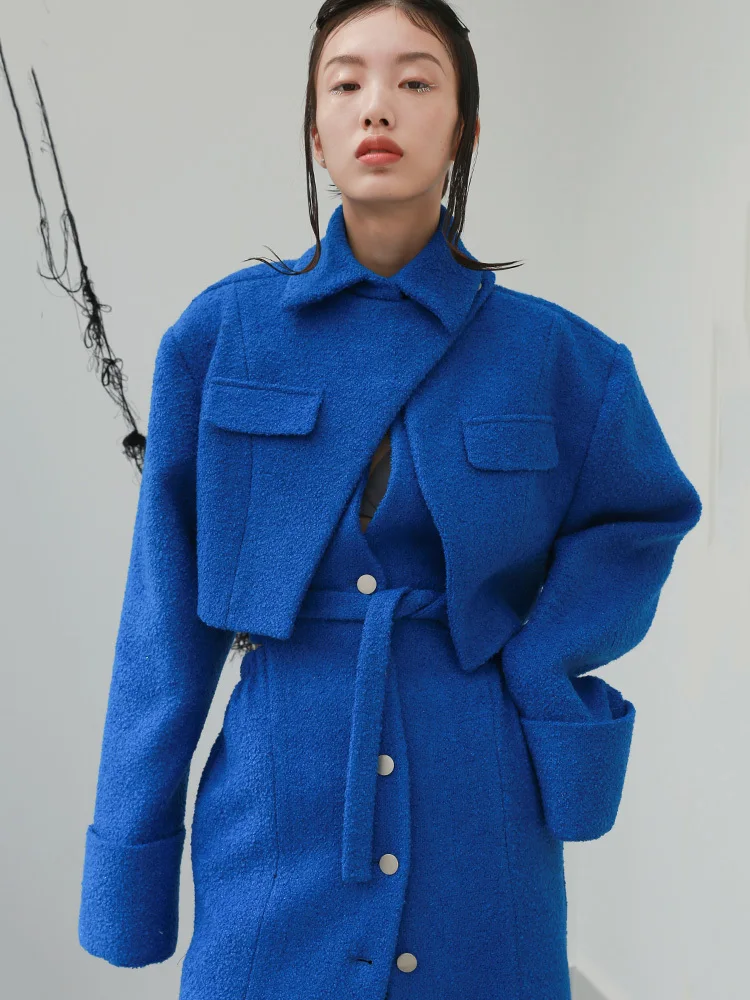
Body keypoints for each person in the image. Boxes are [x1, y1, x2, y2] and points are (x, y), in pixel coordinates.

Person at [77, 2, 702, 999]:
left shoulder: (561, 357)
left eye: (416, 81)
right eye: (347, 82)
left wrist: (542, 665)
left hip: (483, 820)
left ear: (465, 130)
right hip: (273, 826)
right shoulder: (223, 338)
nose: (379, 106)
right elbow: (162, 626)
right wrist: (130, 858)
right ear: (314, 130)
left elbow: (643, 519)